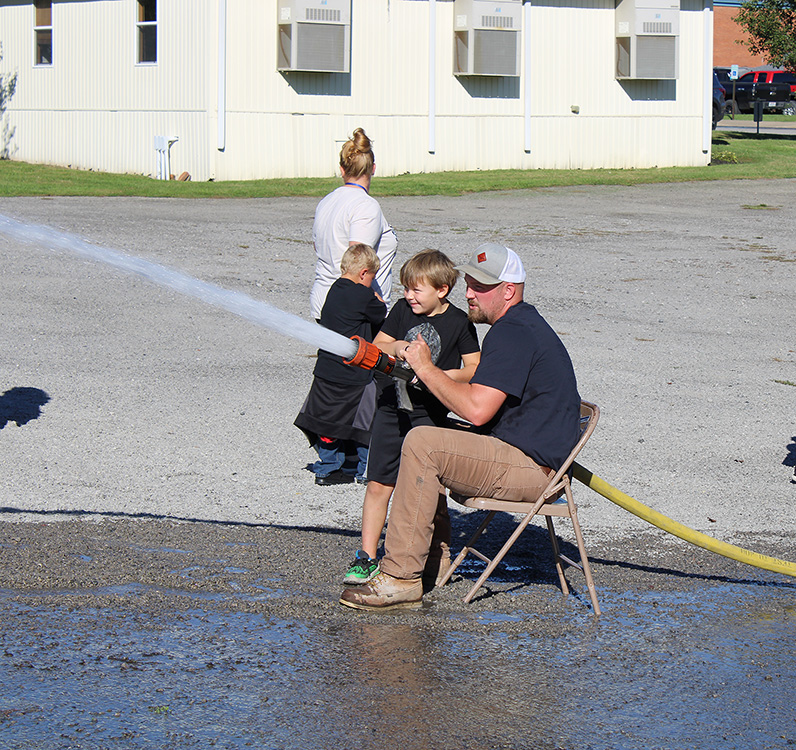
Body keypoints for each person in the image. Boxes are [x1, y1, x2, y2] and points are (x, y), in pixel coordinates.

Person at [339, 243, 582, 611]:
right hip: (522, 454)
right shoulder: (519, 325)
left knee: (424, 442)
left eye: (480, 287)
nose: (468, 292)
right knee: (430, 440)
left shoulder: (512, 333)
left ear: (508, 291)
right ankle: (433, 562)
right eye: (469, 283)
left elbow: (477, 411)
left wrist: (425, 368)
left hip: (534, 469)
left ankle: (401, 577)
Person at [342, 249, 480, 585]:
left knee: (429, 488)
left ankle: (434, 552)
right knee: (379, 483)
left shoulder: (459, 322)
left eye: (416, 290)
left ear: (442, 290)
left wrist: (435, 373)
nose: (408, 296)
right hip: (391, 408)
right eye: (406, 288)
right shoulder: (402, 311)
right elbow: (379, 344)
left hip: (429, 413)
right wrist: (400, 347)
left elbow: (474, 369)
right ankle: (367, 556)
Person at [295, 244, 387, 485]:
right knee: (365, 421)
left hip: (326, 368)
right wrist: (377, 298)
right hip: (353, 372)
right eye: (372, 277)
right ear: (364, 273)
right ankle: (365, 470)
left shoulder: (334, 289)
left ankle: (328, 467)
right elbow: (380, 313)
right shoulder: (363, 295)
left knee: (324, 419)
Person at [310, 128, 397, 321]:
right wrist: (378, 306)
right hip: (354, 311)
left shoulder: (326, 202)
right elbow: (358, 263)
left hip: (324, 299)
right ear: (373, 168)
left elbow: (318, 246)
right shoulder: (365, 206)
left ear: (342, 170)